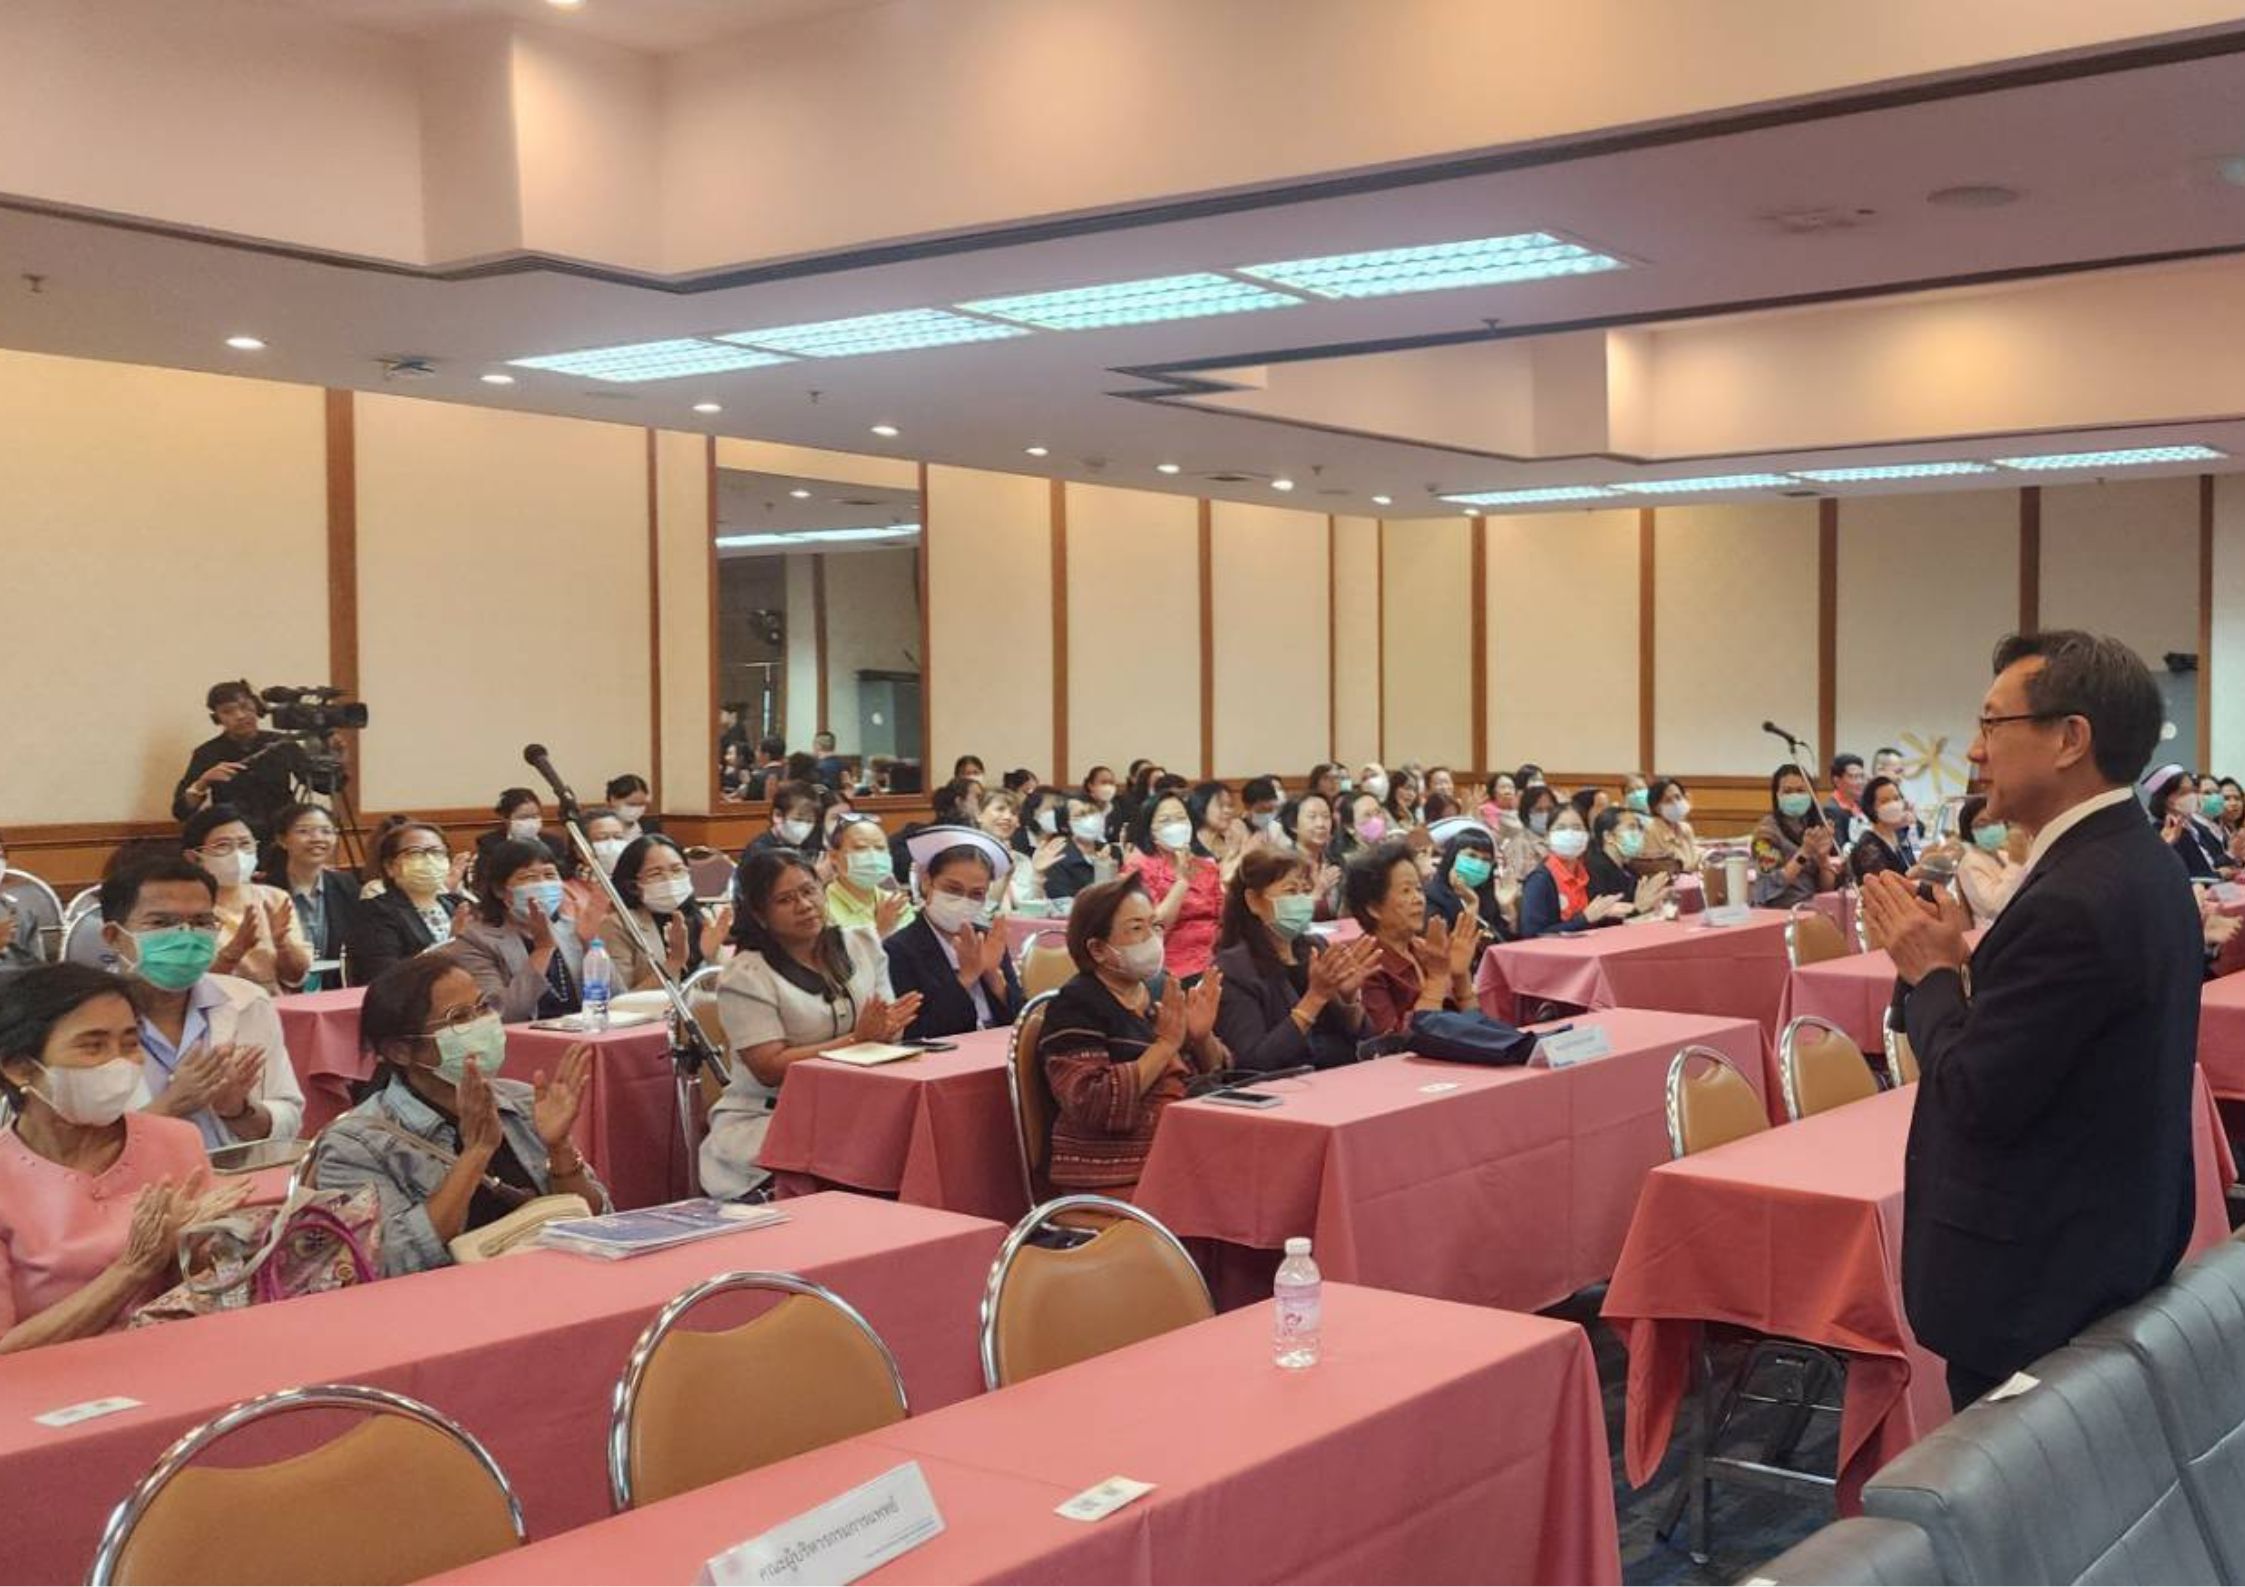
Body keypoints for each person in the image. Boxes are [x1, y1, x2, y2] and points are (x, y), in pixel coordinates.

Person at [1864, 629, 2198, 1410]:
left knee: (2017, 1482)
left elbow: (1975, 1093)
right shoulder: (2137, 860)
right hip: (2100, 1246)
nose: (1974, 749)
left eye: (1992, 722)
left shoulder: (2074, 895)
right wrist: (1952, 967)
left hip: (2037, 1281)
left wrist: (1930, 972)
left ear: (2068, 738)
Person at [0, 964, 248, 1351]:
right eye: (92, 1046)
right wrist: (133, 1268)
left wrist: (198, 1250)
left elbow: (204, 1293)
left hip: (174, 1358)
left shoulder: (176, 1142)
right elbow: (6, 1349)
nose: (118, 1062)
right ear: (19, 1069)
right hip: (53, 1379)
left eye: (130, 1044)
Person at [315, 955, 605, 1277]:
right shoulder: (355, 1143)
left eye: (482, 1007)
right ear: (400, 1051)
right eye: (460, 1017)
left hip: (552, 1281)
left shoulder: (522, 1102)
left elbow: (596, 1218)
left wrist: (559, 1147)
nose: (481, 1023)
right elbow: (386, 1262)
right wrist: (476, 1153)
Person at [700, 850, 920, 1200]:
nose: (804, 905)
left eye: (809, 891)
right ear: (759, 913)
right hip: (771, 1119)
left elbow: (886, 1029)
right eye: (785, 900)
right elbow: (769, 1068)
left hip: (856, 1109)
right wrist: (857, 1040)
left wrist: (887, 1030)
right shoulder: (746, 975)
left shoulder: (861, 944)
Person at [98, 855, 304, 1148]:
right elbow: (76, 1148)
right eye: (162, 923)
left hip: (240, 1173)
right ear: (114, 936)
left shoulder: (248, 1001)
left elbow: (289, 1119)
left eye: (201, 922)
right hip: (138, 1177)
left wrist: (237, 1110)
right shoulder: (80, 1020)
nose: (186, 936)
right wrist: (170, 1105)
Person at [1038, 877, 1225, 1197]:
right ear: (1098, 949)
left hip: (1183, 1143)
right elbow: (1091, 1102)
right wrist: (1164, 1046)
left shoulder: (1160, 987)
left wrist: (1201, 1038)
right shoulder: (1075, 1005)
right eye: (1137, 928)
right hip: (1114, 1167)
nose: (1152, 938)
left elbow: (1216, 1075)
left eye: (1155, 926)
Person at [1212, 849, 1380, 1072]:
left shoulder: (1315, 947)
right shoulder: (1235, 970)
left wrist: (1348, 1000)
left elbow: (1363, 1039)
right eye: (1291, 891)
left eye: (1305, 891)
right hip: (1287, 1085)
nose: (1301, 900)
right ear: (1253, 901)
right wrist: (1314, 998)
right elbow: (1253, 1062)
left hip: (1343, 1074)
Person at [449, 839, 610, 1023]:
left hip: (583, 1032)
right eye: (529, 877)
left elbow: (614, 999)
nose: (542, 885)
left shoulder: (572, 928)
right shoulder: (476, 940)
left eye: (550, 875)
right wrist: (543, 949)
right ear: (500, 890)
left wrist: (590, 943)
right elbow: (499, 1014)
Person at [884, 829, 1023, 1041]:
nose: (963, 900)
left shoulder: (988, 939)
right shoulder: (899, 949)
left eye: (976, 894)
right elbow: (916, 1032)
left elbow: (1021, 1021)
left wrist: (993, 976)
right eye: (952, 889)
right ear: (927, 882)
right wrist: (965, 979)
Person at [1345, 838, 1479, 1036]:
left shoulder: (1424, 949)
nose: (1419, 899)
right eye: (1406, 891)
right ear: (1374, 908)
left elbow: (1476, 1028)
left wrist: (1461, 977)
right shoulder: (1368, 965)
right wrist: (1436, 980)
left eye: (1419, 889)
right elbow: (1397, 1042)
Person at [181, 806, 312, 996]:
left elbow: (296, 977)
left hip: (271, 1006)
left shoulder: (275, 899)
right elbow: (188, 986)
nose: (237, 854)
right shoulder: (182, 909)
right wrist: (232, 953)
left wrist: (283, 945)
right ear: (193, 858)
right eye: (222, 845)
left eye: (245, 844)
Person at [169, 680, 304, 835]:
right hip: (234, 835)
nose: (240, 716)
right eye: (228, 712)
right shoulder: (207, 753)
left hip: (282, 832)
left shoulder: (283, 744)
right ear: (217, 718)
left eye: (245, 707)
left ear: (257, 708)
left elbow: (322, 786)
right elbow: (181, 812)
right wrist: (203, 782)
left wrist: (327, 747)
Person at [346, 822, 470, 987]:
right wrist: (448, 948)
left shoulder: (457, 904)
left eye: (436, 852)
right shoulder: (375, 911)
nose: (429, 860)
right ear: (390, 866)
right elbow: (382, 977)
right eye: (415, 853)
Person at [606, 835, 732, 992]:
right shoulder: (618, 925)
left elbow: (724, 993)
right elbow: (619, 1000)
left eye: (677, 870)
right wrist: (674, 963)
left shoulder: (703, 917)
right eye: (655, 873)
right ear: (633, 885)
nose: (669, 879)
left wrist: (711, 955)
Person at [1122, 790, 1225, 981]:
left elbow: (1223, 920)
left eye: (1181, 818)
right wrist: (1182, 882)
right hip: (1169, 965)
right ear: (1150, 830)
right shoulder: (1139, 868)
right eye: (1165, 821)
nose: (1176, 825)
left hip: (1214, 959)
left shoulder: (1206, 867)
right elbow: (1153, 928)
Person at [268, 802, 357, 992]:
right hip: (280, 990)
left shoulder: (346, 885)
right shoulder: (266, 890)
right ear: (282, 840)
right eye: (304, 831)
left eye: (326, 831)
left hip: (334, 990)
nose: (317, 838)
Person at [1519, 805, 1633, 937]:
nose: (1569, 834)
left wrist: (1607, 913)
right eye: (1561, 828)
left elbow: (1596, 925)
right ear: (1547, 837)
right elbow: (1532, 934)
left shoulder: (1589, 873)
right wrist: (1584, 918)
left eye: (1577, 828)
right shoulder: (1540, 880)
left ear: (1587, 835)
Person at [1750, 764, 1843, 908]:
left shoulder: (1814, 825)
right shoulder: (1766, 832)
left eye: (1800, 791)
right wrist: (1804, 853)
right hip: (1781, 909)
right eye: (1787, 791)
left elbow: (1826, 888)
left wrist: (1823, 858)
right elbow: (1768, 885)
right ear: (1777, 795)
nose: (1794, 796)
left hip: (1814, 906)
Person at [822, 814, 912, 936]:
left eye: (880, 848)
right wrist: (879, 932)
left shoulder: (896, 903)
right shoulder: (822, 908)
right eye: (860, 848)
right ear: (834, 857)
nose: (873, 856)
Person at [2143, 765, 2233, 882]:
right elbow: (2177, 877)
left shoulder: (2196, 828)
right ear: (2166, 800)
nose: (2192, 796)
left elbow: (2208, 864)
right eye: (2184, 792)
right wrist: (2218, 875)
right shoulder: (2160, 832)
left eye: (2193, 790)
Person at [1954, 794, 2023, 927]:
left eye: (1996, 822)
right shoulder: (1970, 862)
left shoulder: (2003, 855)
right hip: (1994, 930)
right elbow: (1994, 907)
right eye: (1982, 823)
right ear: (1968, 829)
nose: (1991, 828)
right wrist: (2016, 864)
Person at [1423, 821, 1502, 934]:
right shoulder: (1432, 897)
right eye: (1472, 856)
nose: (1478, 864)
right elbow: (1453, 941)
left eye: (1486, 860)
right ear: (1452, 857)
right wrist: (1472, 904)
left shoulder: (1487, 897)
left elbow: (1504, 940)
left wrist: (1508, 908)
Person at [1847, 775, 1927, 885]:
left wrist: (1912, 828)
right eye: (1885, 801)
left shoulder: (1899, 834)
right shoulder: (1867, 846)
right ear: (1872, 808)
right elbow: (1884, 883)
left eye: (1896, 798)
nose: (1893, 804)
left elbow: (1916, 857)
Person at [1044, 793, 1122, 902]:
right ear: (1066, 826)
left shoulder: (1113, 851)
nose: (1089, 820)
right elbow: (1062, 901)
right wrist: (1102, 872)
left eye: (1092, 813)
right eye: (1080, 816)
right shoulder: (1058, 857)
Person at [1638, 777, 1701, 877]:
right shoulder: (1650, 831)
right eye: (1668, 800)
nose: (1675, 803)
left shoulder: (1685, 828)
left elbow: (1695, 861)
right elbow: (1655, 872)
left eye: (1678, 797)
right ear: (1656, 808)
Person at [1501, 783, 1562, 882]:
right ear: (1526, 814)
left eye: (1550, 809)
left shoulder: (1561, 837)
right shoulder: (1519, 844)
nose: (1545, 814)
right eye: (1538, 810)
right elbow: (1517, 882)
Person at [1825, 753, 1870, 845]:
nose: (1860, 782)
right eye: (1854, 777)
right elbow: (1839, 846)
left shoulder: (1861, 804)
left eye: (1861, 776)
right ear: (1837, 781)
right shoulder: (1831, 810)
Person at [604, 776, 657, 844]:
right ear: (613, 800)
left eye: (641, 804)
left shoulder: (651, 827)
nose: (636, 809)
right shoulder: (598, 827)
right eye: (631, 804)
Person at [1478, 772, 1521, 836]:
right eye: (1503, 787)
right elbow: (1496, 833)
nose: (1507, 791)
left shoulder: (1519, 809)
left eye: (1511, 787)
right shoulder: (1485, 809)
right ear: (1494, 791)